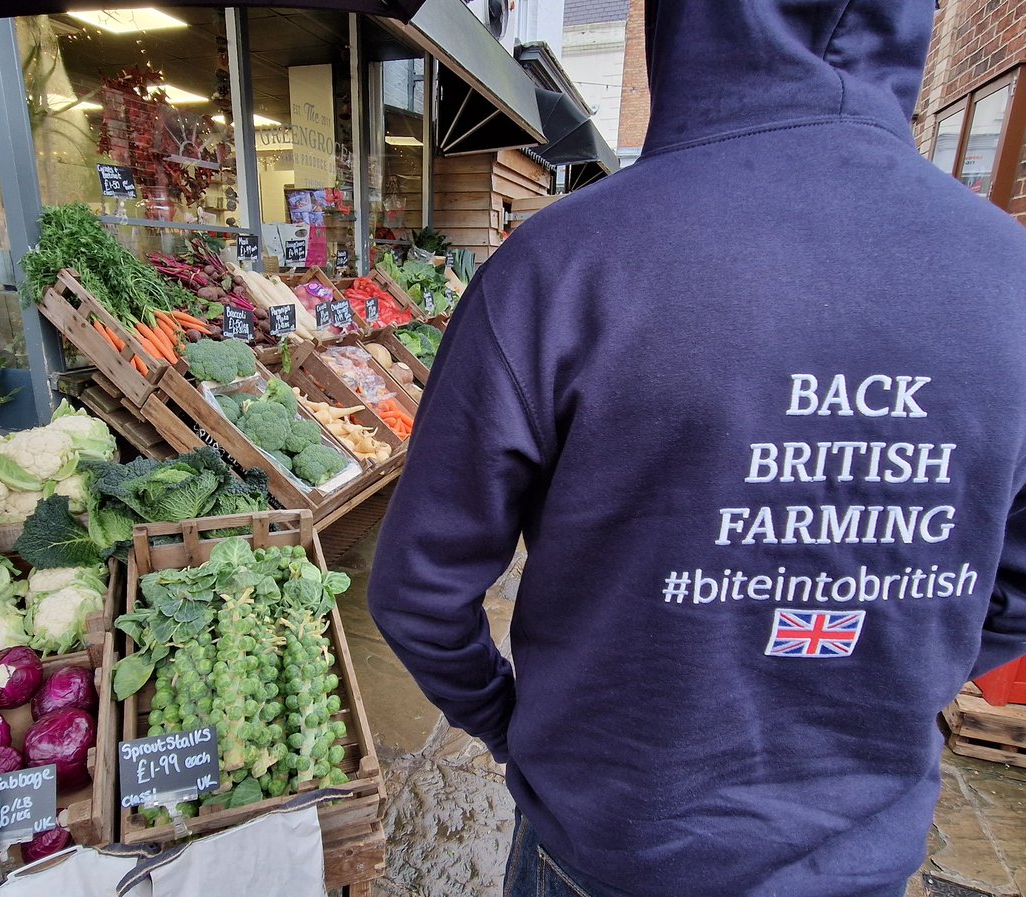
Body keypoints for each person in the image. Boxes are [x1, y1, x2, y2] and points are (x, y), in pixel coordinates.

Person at [366, 2, 1026, 896]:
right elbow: (1014, 596)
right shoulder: (1011, 279)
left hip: (605, 840)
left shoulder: (559, 265)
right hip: (859, 852)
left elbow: (416, 590)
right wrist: (895, 655)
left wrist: (513, 724)